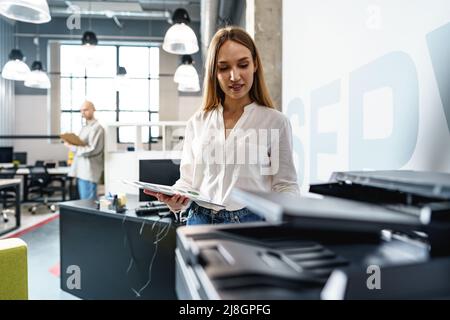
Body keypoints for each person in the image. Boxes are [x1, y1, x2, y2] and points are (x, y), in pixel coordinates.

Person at [145, 26, 299, 225]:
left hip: (250, 223)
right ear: (214, 73)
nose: (234, 77)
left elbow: (286, 186)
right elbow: (188, 180)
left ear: (255, 65)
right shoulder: (197, 122)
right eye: (224, 68)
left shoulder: (275, 122)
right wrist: (176, 199)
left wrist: (289, 224)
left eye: (243, 64)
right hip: (198, 219)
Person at [66, 100, 105, 200]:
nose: (83, 112)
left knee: (89, 203)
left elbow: (93, 149)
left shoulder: (97, 128)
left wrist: (74, 148)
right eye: (81, 110)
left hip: (89, 171)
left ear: (93, 109)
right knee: (84, 202)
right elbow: (82, 144)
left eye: (86, 110)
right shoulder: (85, 127)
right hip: (81, 170)